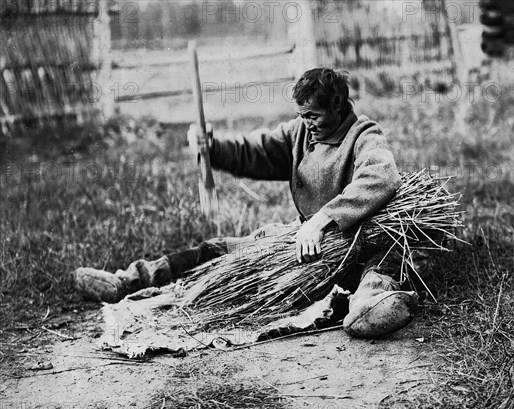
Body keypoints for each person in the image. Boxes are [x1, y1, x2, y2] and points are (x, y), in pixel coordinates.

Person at [75, 67, 418, 338]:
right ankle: (130, 280)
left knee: (379, 267)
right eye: (301, 115)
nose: (306, 123)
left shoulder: (364, 135)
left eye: (313, 115)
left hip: (356, 241)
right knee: (216, 249)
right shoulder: (301, 132)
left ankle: (371, 307)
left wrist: (322, 219)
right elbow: (254, 151)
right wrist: (213, 148)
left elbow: (382, 178)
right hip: (303, 244)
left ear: (338, 105)